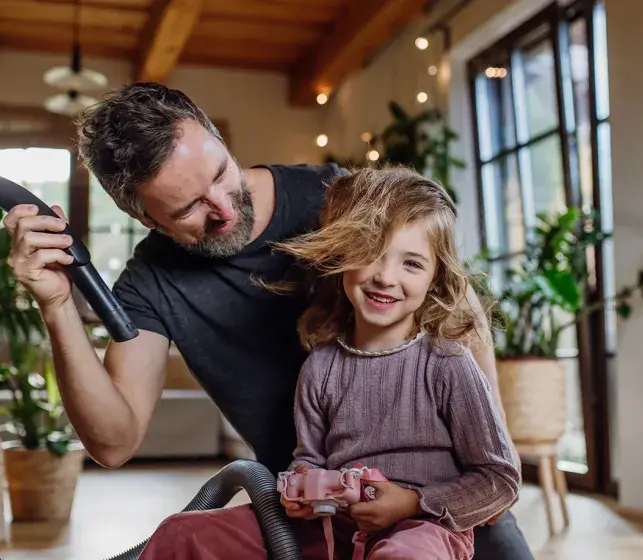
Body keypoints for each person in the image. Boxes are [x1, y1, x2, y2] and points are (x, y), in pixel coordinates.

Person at [4, 82, 536, 560]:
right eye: (189, 207)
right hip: (315, 519)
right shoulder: (152, 285)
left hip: (440, 505)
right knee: (178, 538)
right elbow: (113, 443)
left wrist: (484, 460)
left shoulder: (337, 198)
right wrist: (56, 306)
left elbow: (455, 302)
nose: (224, 209)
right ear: (144, 218)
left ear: (217, 137)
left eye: (219, 173)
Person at [137, 165, 521, 560]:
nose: (386, 277)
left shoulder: (447, 365)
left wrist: (410, 502)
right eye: (370, 253)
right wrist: (300, 489)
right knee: (181, 533)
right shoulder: (321, 366)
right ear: (342, 258)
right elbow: (309, 459)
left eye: (412, 263)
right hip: (329, 528)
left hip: (424, 529)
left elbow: (500, 480)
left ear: (435, 279)